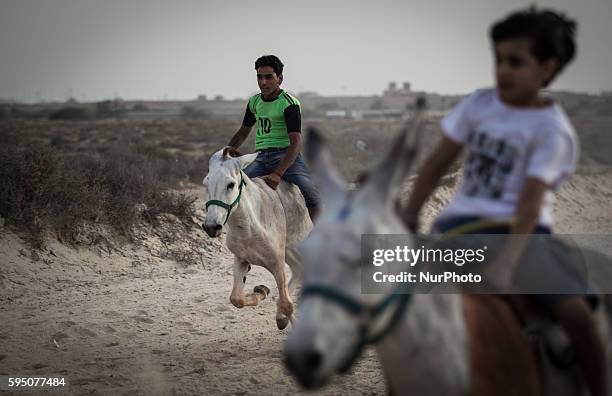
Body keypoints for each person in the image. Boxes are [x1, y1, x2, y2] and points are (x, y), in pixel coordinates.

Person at [400, 7, 606, 396]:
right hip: (455, 229)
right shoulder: (479, 104)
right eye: (499, 60)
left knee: (577, 316)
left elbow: (530, 203)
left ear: (547, 68)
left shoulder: (552, 130)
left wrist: (509, 262)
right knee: (402, 312)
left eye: (516, 62)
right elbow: (436, 163)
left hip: (523, 235)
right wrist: (409, 213)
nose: (503, 70)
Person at [227, 54, 320, 221]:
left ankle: (322, 235)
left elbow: (296, 142)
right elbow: (243, 131)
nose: (263, 82)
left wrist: (278, 173)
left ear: (280, 78)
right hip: (261, 157)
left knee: (311, 192)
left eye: (269, 77)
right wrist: (228, 150)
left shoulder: (289, 103)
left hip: (286, 157)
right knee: (237, 186)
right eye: (259, 77)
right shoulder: (254, 102)